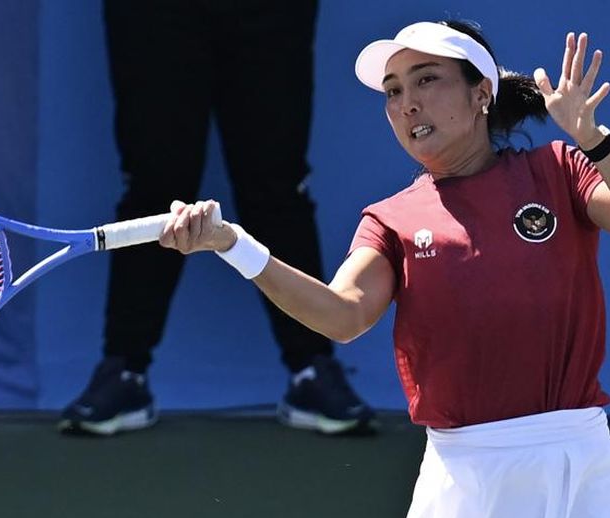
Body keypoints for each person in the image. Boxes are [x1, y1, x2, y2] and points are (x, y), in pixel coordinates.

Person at [157, 19, 610, 518]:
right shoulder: (391, 219)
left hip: (574, 472)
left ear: (480, 95)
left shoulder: (560, 172)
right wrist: (234, 246)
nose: (406, 103)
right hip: (460, 483)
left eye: (427, 80)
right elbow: (343, 315)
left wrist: (596, 143)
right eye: (392, 90)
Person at [58, 0, 375, 436]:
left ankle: (311, 370)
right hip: (155, 15)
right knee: (155, 185)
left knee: (277, 182)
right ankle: (125, 371)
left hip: (269, 15)